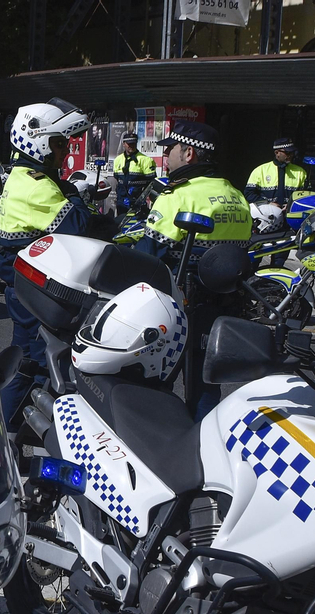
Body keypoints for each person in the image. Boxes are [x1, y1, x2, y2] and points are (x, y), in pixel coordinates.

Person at [129, 121, 249, 416]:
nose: (165, 156)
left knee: (156, 380)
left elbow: (147, 256)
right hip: (224, 308)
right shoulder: (237, 196)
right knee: (205, 386)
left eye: (170, 149)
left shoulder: (178, 196)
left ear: (189, 153)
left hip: (180, 305)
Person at [0, 98, 91, 423]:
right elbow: (78, 225)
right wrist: (77, 192)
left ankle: (7, 432)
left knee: (26, 362)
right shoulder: (38, 187)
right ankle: (16, 433)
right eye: (59, 143)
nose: (65, 151)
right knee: (41, 365)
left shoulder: (24, 176)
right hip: (38, 293)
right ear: (37, 141)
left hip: (27, 287)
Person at [244, 137, 310, 207]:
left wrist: (291, 205)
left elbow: (307, 195)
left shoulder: (300, 172)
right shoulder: (260, 170)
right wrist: (268, 204)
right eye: (287, 152)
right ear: (277, 152)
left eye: (292, 152)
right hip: (267, 214)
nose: (291, 155)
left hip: (291, 214)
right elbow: (249, 194)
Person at [112, 132, 157, 215]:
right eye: (129, 144)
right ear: (124, 144)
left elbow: (152, 183)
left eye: (133, 143)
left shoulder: (146, 160)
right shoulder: (117, 160)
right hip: (121, 201)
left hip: (137, 201)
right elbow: (116, 179)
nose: (131, 146)